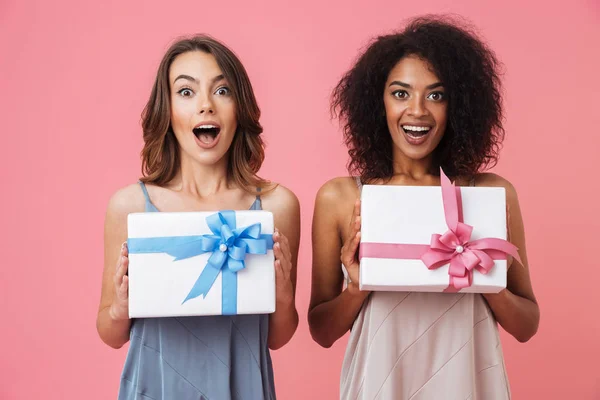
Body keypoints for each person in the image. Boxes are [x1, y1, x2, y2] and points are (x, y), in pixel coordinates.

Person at [308, 16, 539, 399]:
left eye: (436, 95)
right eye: (400, 93)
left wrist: (484, 278)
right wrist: (359, 284)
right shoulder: (341, 198)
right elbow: (322, 331)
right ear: (376, 102)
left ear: (459, 106)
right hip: (380, 380)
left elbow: (527, 325)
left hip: (470, 382)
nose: (417, 110)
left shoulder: (490, 194)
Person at [96, 35, 300, 400]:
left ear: (240, 107)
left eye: (222, 91)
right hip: (155, 387)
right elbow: (110, 334)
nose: (206, 105)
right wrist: (121, 307)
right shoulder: (128, 206)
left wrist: (283, 297)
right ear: (167, 109)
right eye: (186, 92)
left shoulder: (276, 206)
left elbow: (277, 337)